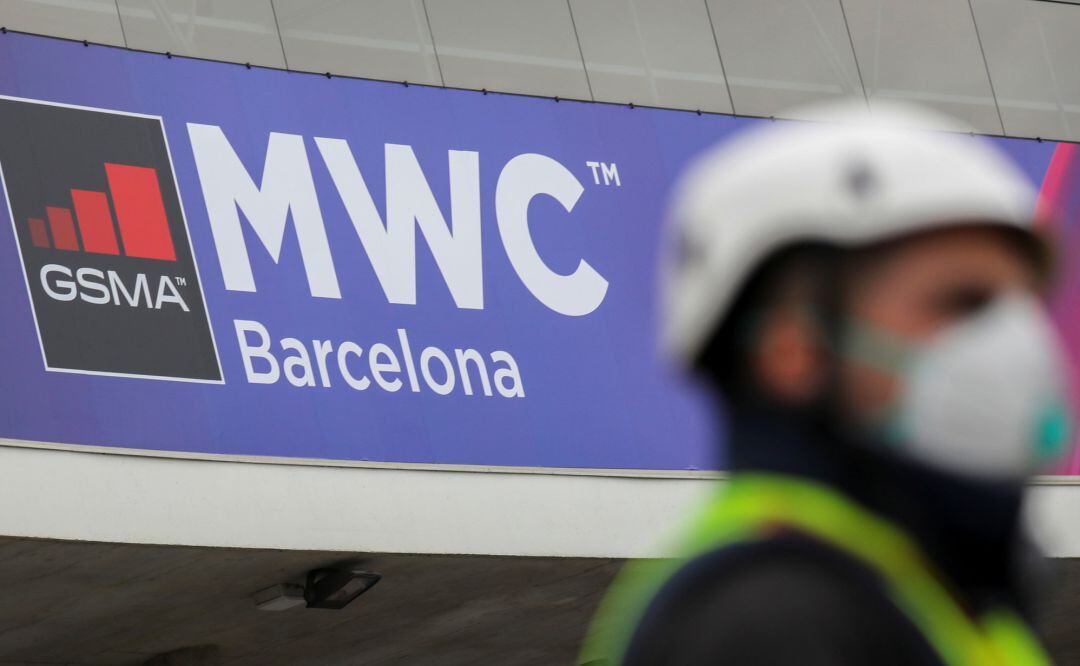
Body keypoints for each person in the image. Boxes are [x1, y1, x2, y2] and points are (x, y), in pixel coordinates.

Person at [579, 103, 1074, 666]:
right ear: (792, 348)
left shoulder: (935, 602)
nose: (1014, 342)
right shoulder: (766, 618)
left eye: (1021, 307)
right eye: (964, 303)